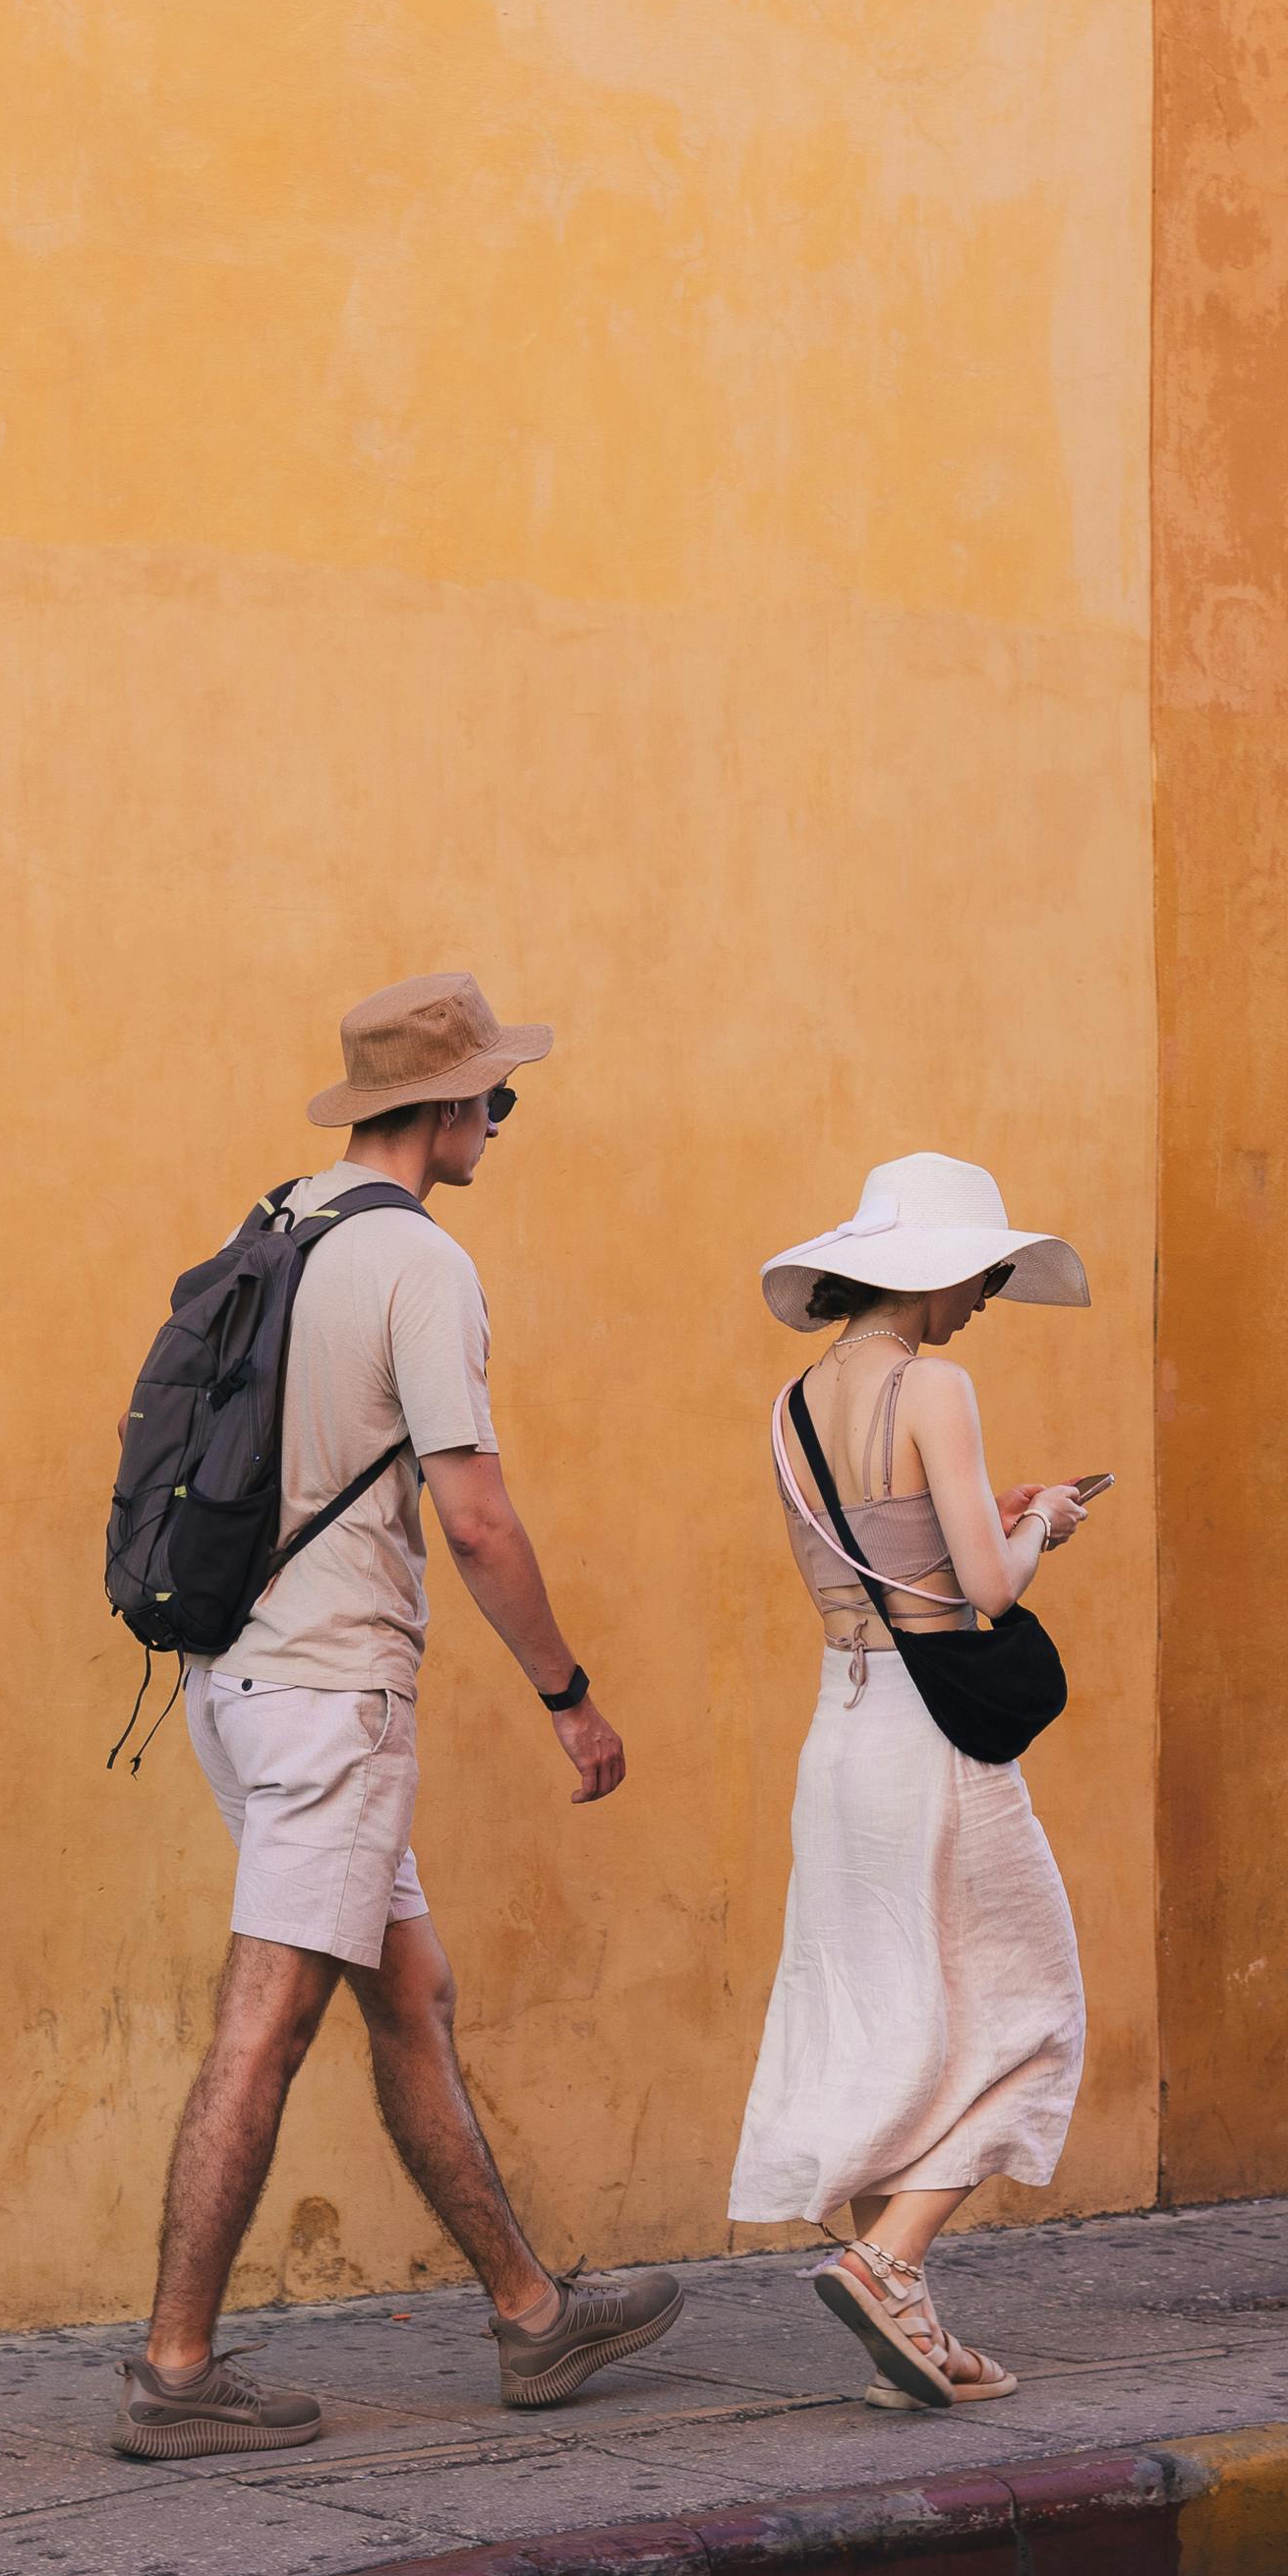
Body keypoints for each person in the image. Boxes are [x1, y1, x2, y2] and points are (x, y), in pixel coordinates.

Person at [113, 970, 684, 2459]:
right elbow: (476, 1514)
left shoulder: (279, 1225)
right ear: (438, 1109)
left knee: (409, 1997)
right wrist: (569, 1697)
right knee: (269, 2024)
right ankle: (176, 2370)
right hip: (329, 1702)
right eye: (493, 1097)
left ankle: (532, 2316)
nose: (500, 1118)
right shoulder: (418, 1263)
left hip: (234, 1685)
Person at [729, 1152, 1093, 2411]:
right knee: (1036, 2011)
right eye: (983, 1269)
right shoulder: (935, 1380)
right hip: (930, 1745)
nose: (990, 1289)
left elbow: (889, 1554)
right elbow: (984, 1593)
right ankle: (888, 2257)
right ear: (928, 1269)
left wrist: (982, 1521)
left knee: (899, 2014)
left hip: (839, 1732)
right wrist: (1043, 1522)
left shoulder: (789, 1403)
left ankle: (914, 2330)